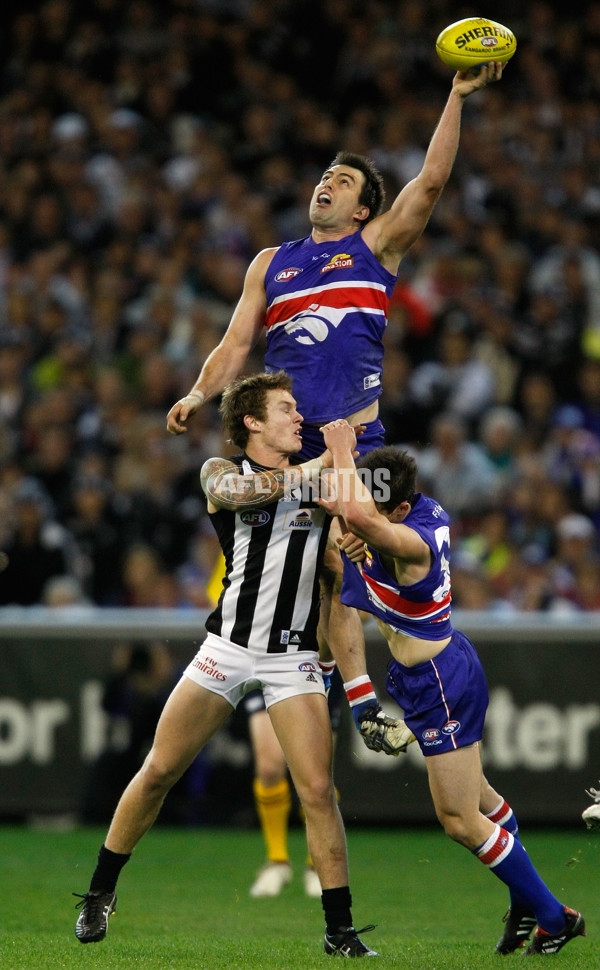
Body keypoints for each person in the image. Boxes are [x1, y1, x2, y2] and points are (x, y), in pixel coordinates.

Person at [166, 63, 504, 758]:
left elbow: (431, 184)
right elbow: (235, 345)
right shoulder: (271, 263)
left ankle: (389, 689)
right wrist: (200, 392)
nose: (326, 183)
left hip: (358, 436)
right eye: (325, 174)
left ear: (361, 211)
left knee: (355, 556)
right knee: (316, 561)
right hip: (292, 443)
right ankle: (355, 697)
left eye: (344, 181)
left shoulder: (374, 248)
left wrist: (455, 95)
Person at [73, 371, 379, 957]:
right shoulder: (221, 473)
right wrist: (334, 459)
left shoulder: (326, 475)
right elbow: (252, 494)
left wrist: (357, 537)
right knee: (159, 770)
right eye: (286, 409)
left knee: (317, 791)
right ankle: (99, 892)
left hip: (293, 655)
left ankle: (339, 931)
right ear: (251, 423)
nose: (298, 417)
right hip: (227, 648)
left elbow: (355, 533)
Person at [318, 421, 586, 957]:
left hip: (440, 679)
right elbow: (346, 510)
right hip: (433, 670)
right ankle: (526, 904)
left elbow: (356, 515)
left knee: (459, 819)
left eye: (370, 508)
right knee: (482, 800)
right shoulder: (412, 510)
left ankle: (556, 916)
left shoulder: (412, 545)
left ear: (395, 510)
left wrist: (341, 449)